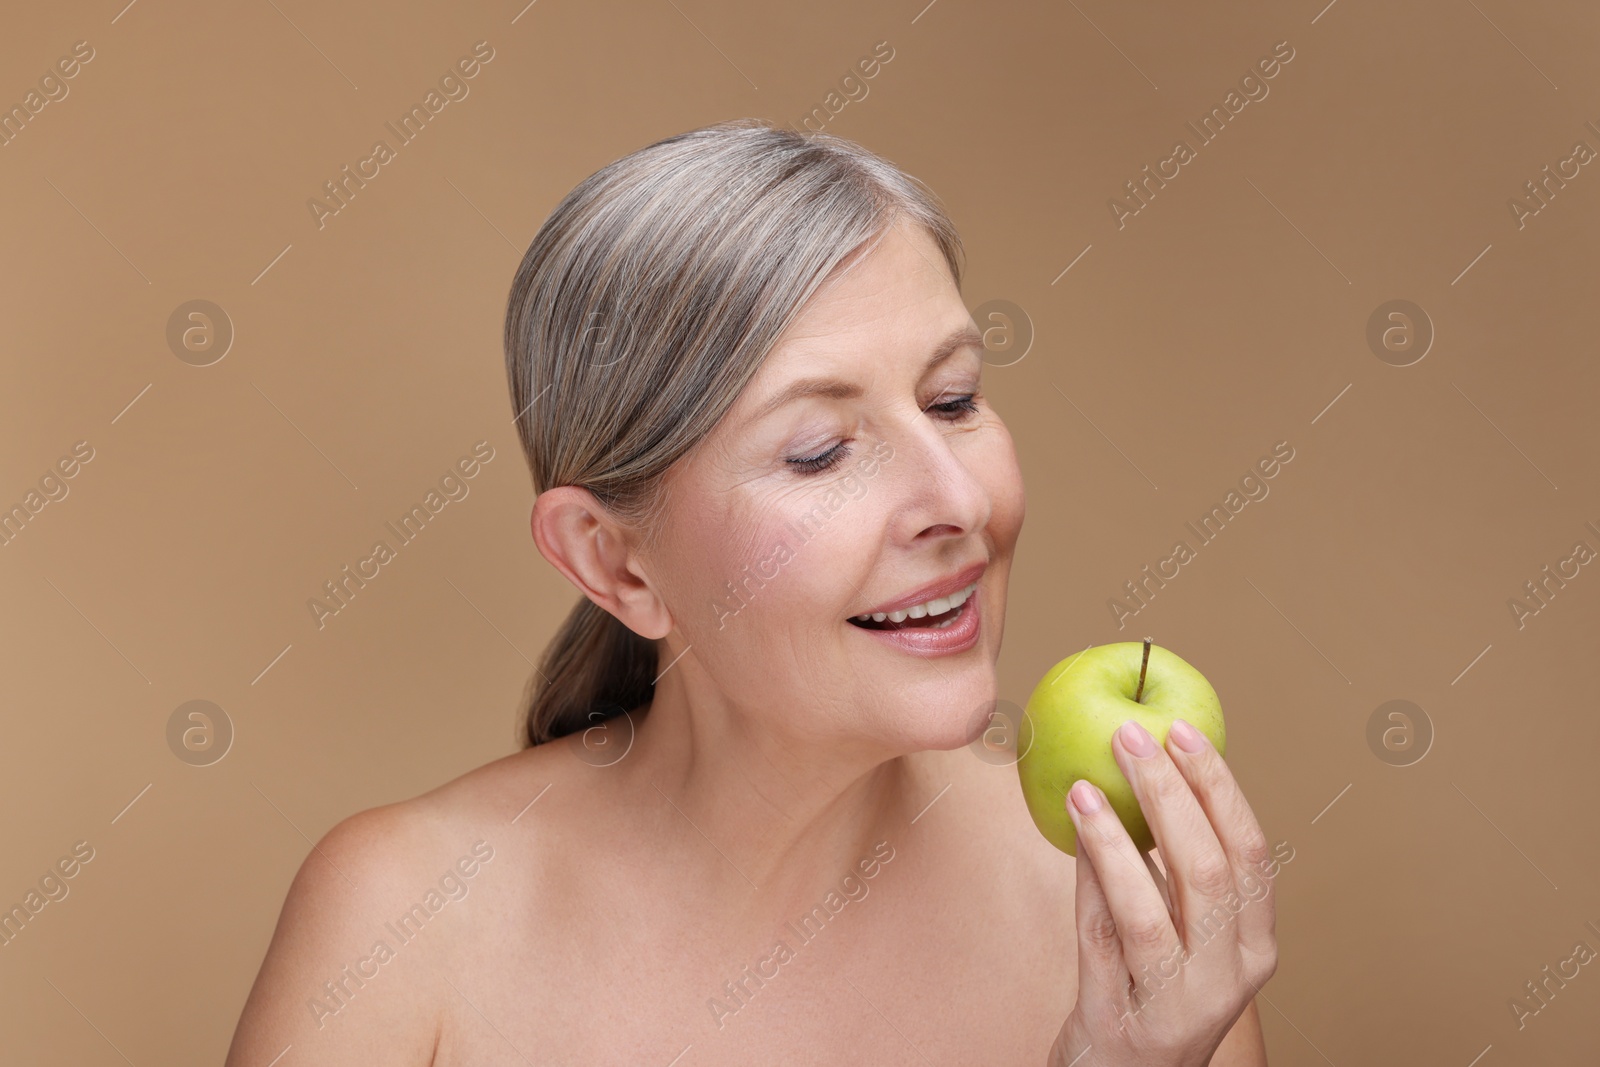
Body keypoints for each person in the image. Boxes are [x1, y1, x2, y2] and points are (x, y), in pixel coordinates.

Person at [226, 118, 1276, 1066]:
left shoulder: (1117, 925)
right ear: (613, 562)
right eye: (819, 453)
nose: (956, 498)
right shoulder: (405, 922)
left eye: (954, 399)